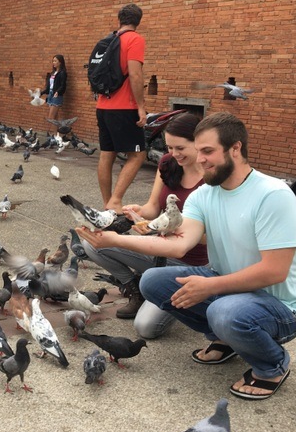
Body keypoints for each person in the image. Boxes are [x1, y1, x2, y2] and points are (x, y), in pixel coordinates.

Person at [77, 112, 296, 400]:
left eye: (208, 151)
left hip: (278, 306)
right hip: (230, 290)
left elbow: (274, 272)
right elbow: (177, 246)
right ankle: (225, 338)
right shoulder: (204, 195)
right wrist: (114, 239)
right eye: (198, 151)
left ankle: (273, 365)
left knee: (223, 311)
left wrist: (210, 286)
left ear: (235, 148)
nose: (200, 160)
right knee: (153, 281)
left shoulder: (273, 194)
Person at [82, 112, 207, 336]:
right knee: (93, 243)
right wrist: (137, 212)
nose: (173, 154)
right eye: (169, 147)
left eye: (180, 148)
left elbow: (209, 236)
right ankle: (135, 288)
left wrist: (165, 228)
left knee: (146, 328)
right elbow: (152, 208)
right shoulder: (168, 163)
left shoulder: (211, 177)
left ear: (199, 143)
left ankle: (183, 295)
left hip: (192, 263)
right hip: (160, 251)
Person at [96, 3, 147, 211]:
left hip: (103, 105)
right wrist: (141, 107)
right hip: (124, 107)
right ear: (138, 21)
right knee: (137, 154)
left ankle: (107, 203)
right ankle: (116, 201)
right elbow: (135, 74)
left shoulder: (108, 41)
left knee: (107, 153)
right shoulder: (135, 39)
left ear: (119, 20)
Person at [40, 54, 67, 121]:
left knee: (51, 118)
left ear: (60, 62)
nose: (53, 63)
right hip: (50, 95)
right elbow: (49, 87)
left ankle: (57, 131)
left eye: (55, 61)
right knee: (54, 118)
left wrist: (58, 92)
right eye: (53, 61)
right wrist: (41, 93)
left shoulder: (62, 73)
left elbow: (63, 85)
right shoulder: (53, 73)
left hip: (56, 96)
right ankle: (56, 132)